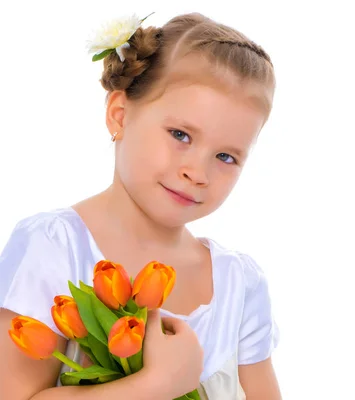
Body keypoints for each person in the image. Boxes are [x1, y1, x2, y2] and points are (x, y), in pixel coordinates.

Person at [0, 11, 281, 400]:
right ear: (119, 114)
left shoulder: (240, 285)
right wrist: (156, 385)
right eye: (180, 134)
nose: (198, 172)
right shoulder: (54, 248)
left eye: (226, 157)